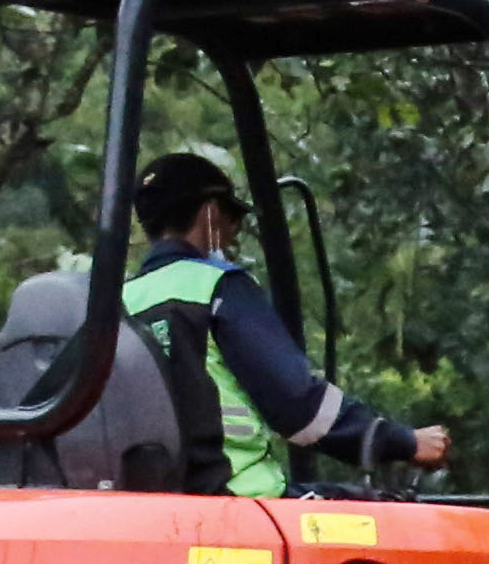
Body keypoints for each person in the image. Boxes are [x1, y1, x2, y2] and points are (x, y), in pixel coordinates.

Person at [120, 152, 449, 499]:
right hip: (238, 500)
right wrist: (402, 441)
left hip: (159, 505)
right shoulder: (217, 286)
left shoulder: (119, 304)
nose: (233, 235)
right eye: (233, 217)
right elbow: (300, 407)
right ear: (210, 213)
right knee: (385, 513)